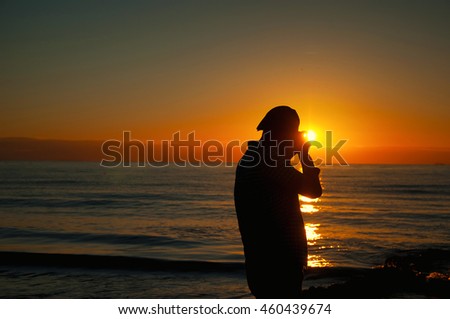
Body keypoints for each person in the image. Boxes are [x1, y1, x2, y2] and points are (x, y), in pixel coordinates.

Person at [234, 105, 322, 298]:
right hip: (278, 264)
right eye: (291, 135)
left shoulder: (252, 159)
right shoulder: (267, 163)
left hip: (262, 263)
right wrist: (304, 155)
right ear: (281, 135)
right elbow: (313, 191)